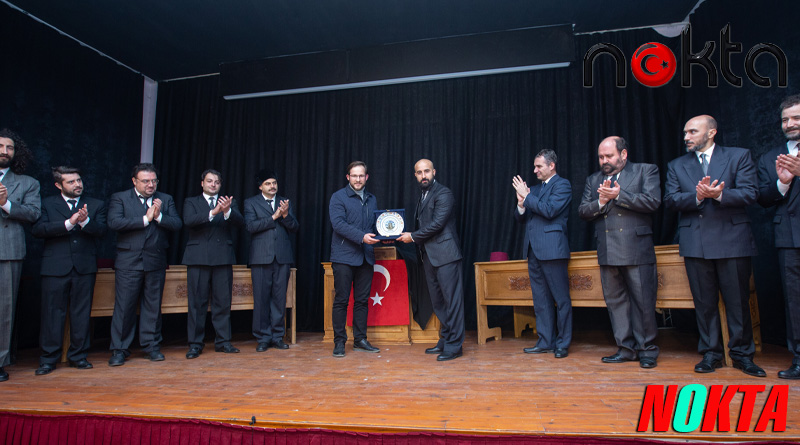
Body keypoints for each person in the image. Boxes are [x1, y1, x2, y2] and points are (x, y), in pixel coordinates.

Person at [664, 115, 764, 377]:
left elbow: (751, 193)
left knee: (737, 302)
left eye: (692, 132)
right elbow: (671, 200)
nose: (686, 137)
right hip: (695, 243)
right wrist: (697, 197)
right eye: (685, 132)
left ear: (711, 133)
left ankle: (742, 356)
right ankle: (711, 353)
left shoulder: (738, 156)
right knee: (704, 303)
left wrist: (719, 194)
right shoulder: (676, 165)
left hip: (733, 240)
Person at [578, 137, 661, 368]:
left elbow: (653, 201)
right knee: (616, 302)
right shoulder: (593, 179)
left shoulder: (645, 170)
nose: (604, 161)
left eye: (609, 156)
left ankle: (647, 350)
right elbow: (583, 210)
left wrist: (619, 196)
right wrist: (601, 202)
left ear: (623, 154)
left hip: (636, 248)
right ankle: (626, 349)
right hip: (607, 248)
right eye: (601, 157)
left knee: (643, 302)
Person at [31, 167, 107, 375]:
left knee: (81, 314)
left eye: (79, 180)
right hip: (55, 267)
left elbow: (103, 231)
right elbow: (38, 230)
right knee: (52, 314)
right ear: (58, 185)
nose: (77, 184)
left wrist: (85, 222)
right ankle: (48, 359)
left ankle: (78, 356)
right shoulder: (47, 203)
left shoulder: (95, 204)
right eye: (71, 182)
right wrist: (69, 223)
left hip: (84, 267)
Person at [107, 163, 182, 366]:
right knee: (125, 307)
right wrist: (145, 219)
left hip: (156, 261)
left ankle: (151, 347)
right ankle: (119, 349)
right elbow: (114, 223)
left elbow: (177, 224)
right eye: (146, 181)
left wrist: (159, 216)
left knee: (153, 306)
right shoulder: (120, 198)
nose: (151, 185)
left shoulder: (165, 199)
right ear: (134, 181)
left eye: (154, 181)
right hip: (128, 262)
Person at [398, 159, 465, 361]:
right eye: (419, 172)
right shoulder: (423, 195)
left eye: (426, 171)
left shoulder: (443, 193)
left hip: (446, 255)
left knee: (452, 301)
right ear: (415, 175)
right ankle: (445, 339)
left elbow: (437, 224)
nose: (423, 175)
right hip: (429, 256)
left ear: (434, 172)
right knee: (438, 302)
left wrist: (412, 236)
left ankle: (455, 345)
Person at [512, 149, 572, 358]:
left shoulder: (562, 185)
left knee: (561, 300)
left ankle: (563, 343)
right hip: (533, 251)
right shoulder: (535, 189)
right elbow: (521, 218)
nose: (535, 170)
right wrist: (521, 204)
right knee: (541, 300)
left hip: (553, 250)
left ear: (551, 166)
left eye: (539, 166)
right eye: (534, 166)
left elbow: (549, 210)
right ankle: (545, 341)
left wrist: (527, 196)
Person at [757, 95, 800, 379]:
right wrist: (782, 183)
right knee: (795, 301)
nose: (789, 124)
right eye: (785, 120)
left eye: (796, 118)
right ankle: (799, 359)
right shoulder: (770, 156)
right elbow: (762, 198)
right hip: (789, 238)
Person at [182, 169, 244, 359]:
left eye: (216, 182)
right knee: (196, 304)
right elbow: (189, 221)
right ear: (202, 183)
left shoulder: (228, 202)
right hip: (197, 258)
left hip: (222, 258)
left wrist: (227, 212)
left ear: (220, 184)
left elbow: (241, 223)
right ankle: (195, 344)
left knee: (222, 303)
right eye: (209, 181)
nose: (213, 184)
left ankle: (223, 342)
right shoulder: (191, 202)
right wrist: (213, 212)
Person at [0, 129, 41, 382]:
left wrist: (6, 204)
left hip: (8, 251)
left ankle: (0, 361)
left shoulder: (27, 183)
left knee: (3, 310)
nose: (4, 151)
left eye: (9, 148)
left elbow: (34, 214)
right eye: (0, 146)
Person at [329, 161, 380, 357]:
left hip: (366, 257)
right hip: (343, 257)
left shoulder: (372, 199)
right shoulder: (338, 197)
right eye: (354, 176)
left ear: (366, 177)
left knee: (362, 301)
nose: (358, 179)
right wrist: (362, 237)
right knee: (341, 301)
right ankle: (339, 342)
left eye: (361, 176)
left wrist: (383, 236)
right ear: (348, 177)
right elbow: (338, 224)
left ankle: (360, 340)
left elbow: (374, 226)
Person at [245, 170, 298, 352]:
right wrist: (274, 217)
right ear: (260, 186)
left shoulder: (285, 202)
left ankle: (277, 336)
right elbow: (251, 226)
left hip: (282, 257)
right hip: (261, 257)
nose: (272, 186)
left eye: (274, 183)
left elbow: (294, 227)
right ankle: (263, 338)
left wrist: (285, 215)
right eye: (268, 183)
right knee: (261, 299)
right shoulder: (251, 203)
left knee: (279, 299)